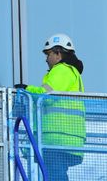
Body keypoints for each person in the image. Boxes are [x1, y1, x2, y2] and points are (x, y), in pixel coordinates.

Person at [14, 33, 85, 181]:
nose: (46, 59)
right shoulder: (69, 72)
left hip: (58, 138)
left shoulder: (63, 70)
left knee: (54, 176)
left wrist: (26, 89)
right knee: (52, 174)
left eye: (49, 54)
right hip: (62, 138)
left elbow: (46, 95)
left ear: (58, 54)